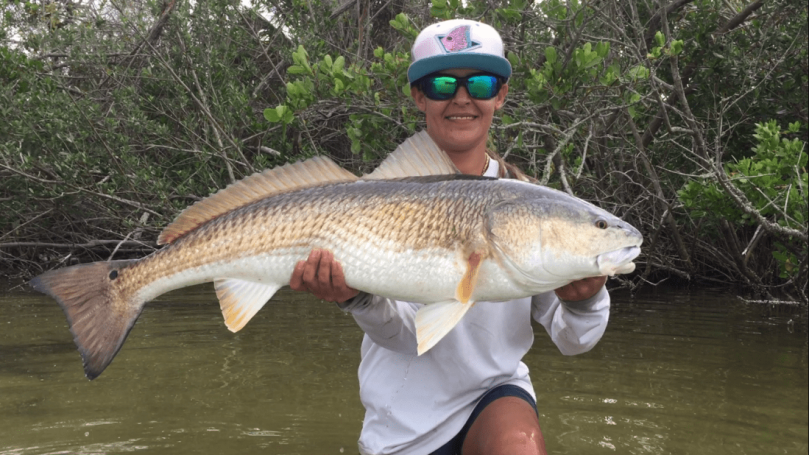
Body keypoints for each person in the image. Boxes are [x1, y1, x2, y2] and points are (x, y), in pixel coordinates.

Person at [290, 19, 609, 455]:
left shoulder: (533, 208)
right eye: (442, 84)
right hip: (401, 424)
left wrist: (584, 299)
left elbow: (576, 340)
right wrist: (356, 297)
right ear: (419, 96)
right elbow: (408, 336)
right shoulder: (384, 197)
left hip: (495, 399)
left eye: (478, 82)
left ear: (500, 94)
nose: (462, 98)